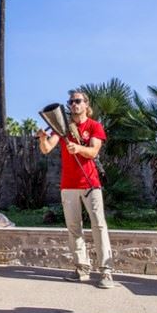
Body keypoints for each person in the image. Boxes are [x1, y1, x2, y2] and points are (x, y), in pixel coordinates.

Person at [37, 90, 114, 288]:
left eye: (78, 101)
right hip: (68, 185)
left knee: (98, 225)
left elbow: (94, 151)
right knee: (74, 228)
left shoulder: (94, 126)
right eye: (71, 102)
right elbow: (46, 149)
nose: (74, 105)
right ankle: (82, 268)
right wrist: (42, 138)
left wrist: (78, 148)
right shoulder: (62, 127)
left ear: (86, 104)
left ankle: (106, 271)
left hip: (90, 183)